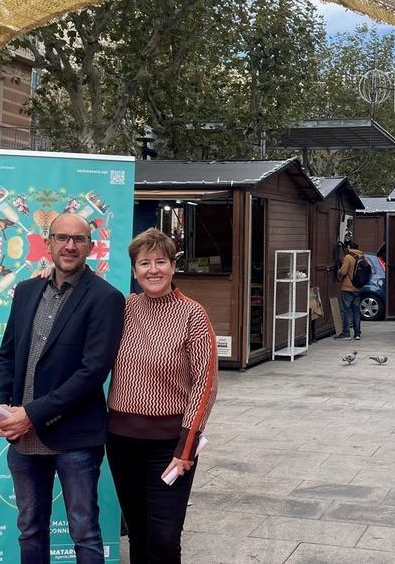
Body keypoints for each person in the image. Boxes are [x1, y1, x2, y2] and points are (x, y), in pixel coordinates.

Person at [0, 213, 126, 564]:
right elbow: (7, 354)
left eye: (78, 239)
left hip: (74, 437)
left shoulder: (106, 298)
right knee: (30, 529)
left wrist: (29, 415)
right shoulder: (26, 291)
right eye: (61, 237)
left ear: (90, 247)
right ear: (47, 243)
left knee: (85, 532)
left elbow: (92, 372)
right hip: (23, 436)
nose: (69, 245)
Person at [108, 228, 218, 564]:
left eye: (160, 261)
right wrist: (46, 276)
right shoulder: (122, 308)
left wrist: (185, 448)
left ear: (173, 266)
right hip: (120, 441)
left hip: (169, 447)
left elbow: (205, 385)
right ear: (134, 270)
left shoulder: (192, 315)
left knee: (165, 538)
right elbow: (79, 298)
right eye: (144, 263)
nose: (152, 270)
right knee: (137, 534)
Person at [336, 240, 363, 340]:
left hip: (348, 288)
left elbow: (343, 271)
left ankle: (346, 333)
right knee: (356, 311)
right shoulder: (361, 256)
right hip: (358, 288)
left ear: (348, 247)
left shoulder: (348, 257)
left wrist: (338, 270)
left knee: (346, 311)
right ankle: (357, 334)